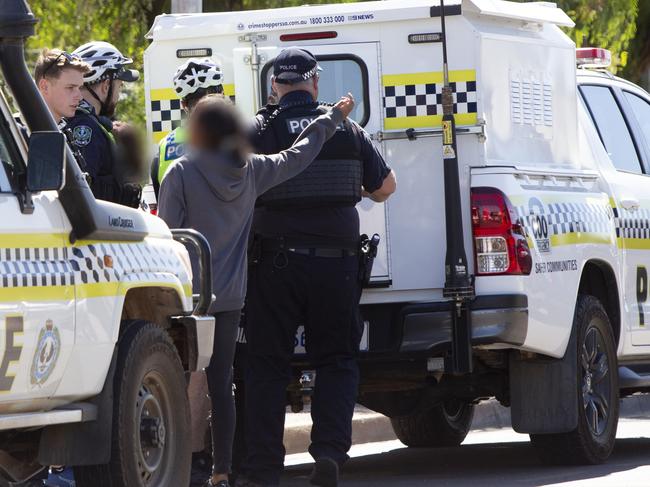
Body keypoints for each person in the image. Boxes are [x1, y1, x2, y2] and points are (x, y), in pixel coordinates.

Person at [157, 93, 356, 487]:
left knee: (176, 381)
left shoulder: (179, 173)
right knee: (221, 385)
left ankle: (177, 467)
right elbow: (299, 154)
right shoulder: (250, 170)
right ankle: (222, 471)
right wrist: (331, 117)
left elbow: (167, 237)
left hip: (185, 299)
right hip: (228, 298)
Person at [238, 48, 396, 487]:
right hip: (337, 264)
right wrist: (352, 189)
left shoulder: (258, 128)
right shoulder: (344, 127)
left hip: (274, 263)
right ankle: (328, 453)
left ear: (275, 85)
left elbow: (233, 184)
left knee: (267, 365)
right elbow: (386, 187)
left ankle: (264, 467)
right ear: (315, 82)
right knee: (337, 360)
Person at [65, 41, 142, 207]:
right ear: (106, 86)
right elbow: (82, 192)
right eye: (119, 87)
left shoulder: (85, 122)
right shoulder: (86, 128)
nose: (118, 96)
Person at [152, 58, 224, 199]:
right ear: (222, 94)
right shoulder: (233, 137)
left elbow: (160, 197)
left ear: (183, 104)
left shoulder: (164, 146)